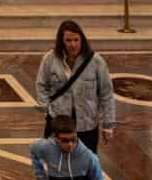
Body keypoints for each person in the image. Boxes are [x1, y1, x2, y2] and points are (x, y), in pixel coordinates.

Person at [35, 18, 115, 151]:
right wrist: (47, 110)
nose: (73, 45)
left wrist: (108, 125)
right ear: (61, 41)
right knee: (55, 161)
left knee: (86, 162)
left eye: (76, 40)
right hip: (58, 124)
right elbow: (41, 85)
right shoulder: (50, 59)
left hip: (87, 126)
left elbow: (106, 94)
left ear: (82, 40)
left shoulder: (96, 61)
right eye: (68, 40)